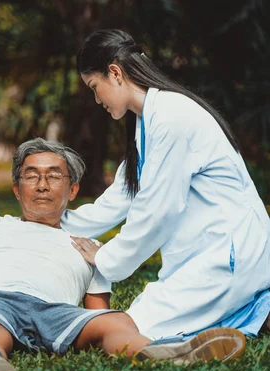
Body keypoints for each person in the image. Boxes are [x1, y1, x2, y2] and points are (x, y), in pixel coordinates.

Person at [0, 138, 245, 371]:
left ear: (73, 189)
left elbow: (96, 310)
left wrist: (103, 322)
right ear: (16, 189)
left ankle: (160, 352)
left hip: (55, 312)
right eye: (31, 176)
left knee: (114, 321)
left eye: (54, 176)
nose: (42, 184)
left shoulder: (87, 243)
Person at [64, 29, 270, 340]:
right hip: (215, 254)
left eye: (95, 87)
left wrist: (106, 258)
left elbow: (157, 211)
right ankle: (259, 309)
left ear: (115, 73)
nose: (96, 100)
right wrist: (55, 224)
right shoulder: (146, 122)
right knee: (142, 319)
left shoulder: (172, 117)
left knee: (132, 326)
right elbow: (121, 197)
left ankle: (242, 305)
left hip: (229, 256)